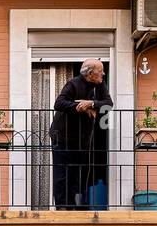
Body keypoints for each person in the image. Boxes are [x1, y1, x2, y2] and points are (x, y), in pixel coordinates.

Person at [48, 60, 114, 210]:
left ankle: (73, 205)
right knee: (61, 173)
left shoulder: (100, 84)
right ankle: (62, 206)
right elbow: (59, 103)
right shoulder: (73, 84)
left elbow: (109, 103)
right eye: (100, 70)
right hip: (61, 136)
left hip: (81, 139)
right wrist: (81, 107)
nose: (103, 73)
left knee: (76, 172)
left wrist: (91, 104)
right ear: (90, 73)